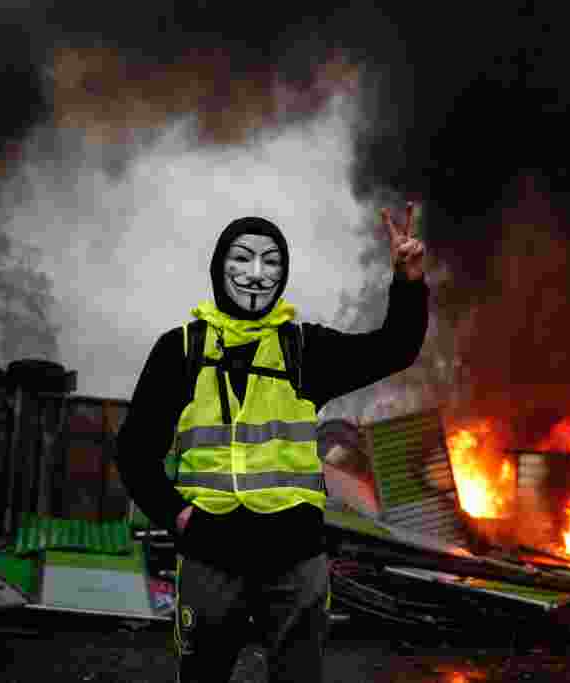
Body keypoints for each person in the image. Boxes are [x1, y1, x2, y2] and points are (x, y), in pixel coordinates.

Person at [115, 204, 427, 683]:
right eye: (242, 259)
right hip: (210, 554)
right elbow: (135, 453)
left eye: (271, 262)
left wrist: (407, 281)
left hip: (294, 558)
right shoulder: (180, 351)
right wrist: (177, 514)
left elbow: (395, 348)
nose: (257, 274)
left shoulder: (305, 350)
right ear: (219, 267)